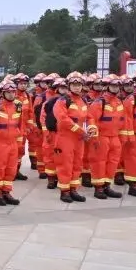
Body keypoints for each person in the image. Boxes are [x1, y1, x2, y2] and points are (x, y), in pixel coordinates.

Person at [51, 72, 92, 204]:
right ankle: (65, 191)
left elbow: (89, 117)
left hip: (79, 139)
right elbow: (63, 120)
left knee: (77, 164)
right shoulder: (62, 101)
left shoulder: (83, 101)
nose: (77, 87)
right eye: (74, 85)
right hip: (65, 138)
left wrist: (92, 128)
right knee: (65, 165)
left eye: (79, 85)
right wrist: (81, 131)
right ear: (69, 86)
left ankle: (73, 189)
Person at [0, 78, 24, 206]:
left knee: (11, 169)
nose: (11, 94)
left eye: (13, 92)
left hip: (12, 144)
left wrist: (19, 143)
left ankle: (6, 192)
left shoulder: (18, 108)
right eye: (8, 92)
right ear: (3, 93)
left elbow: (20, 126)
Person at [88, 74, 126, 199]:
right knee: (99, 162)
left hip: (115, 137)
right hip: (101, 137)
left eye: (117, 86)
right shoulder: (99, 103)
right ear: (107, 86)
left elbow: (123, 121)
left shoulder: (119, 102)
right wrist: (94, 138)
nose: (115, 88)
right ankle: (98, 188)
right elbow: (91, 120)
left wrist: (122, 137)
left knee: (113, 163)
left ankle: (107, 186)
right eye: (113, 85)